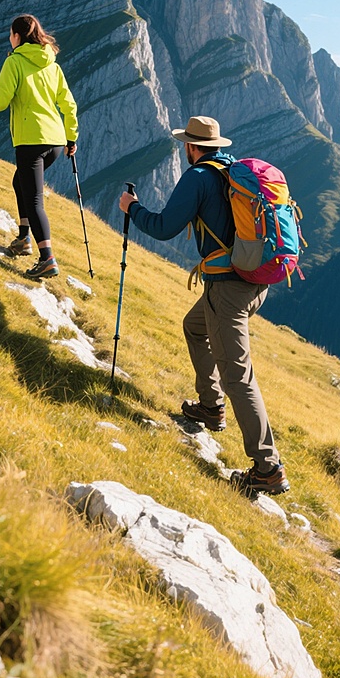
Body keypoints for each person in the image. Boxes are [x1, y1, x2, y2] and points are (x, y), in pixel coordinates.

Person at [119, 115, 289, 497]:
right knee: (195, 327)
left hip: (227, 291)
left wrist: (132, 208)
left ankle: (268, 467)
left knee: (239, 377)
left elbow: (164, 228)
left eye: (185, 146)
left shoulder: (198, 177)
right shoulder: (233, 171)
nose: (185, 151)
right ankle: (210, 408)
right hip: (255, 283)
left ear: (192, 148)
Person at [0, 14, 78, 280]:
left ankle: (47, 258)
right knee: (21, 183)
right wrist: (71, 137)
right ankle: (23, 239)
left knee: (34, 198)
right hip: (54, 140)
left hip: (30, 140)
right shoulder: (52, 65)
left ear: (17, 36)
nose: (9, 38)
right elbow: (69, 104)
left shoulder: (14, 61)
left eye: (10, 34)